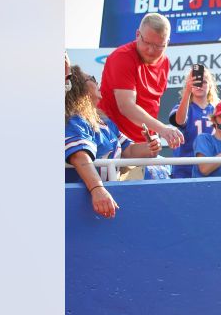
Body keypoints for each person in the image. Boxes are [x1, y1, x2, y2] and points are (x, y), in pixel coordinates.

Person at [65, 65, 155, 218]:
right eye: (92, 79)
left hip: (109, 195)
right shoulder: (74, 120)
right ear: (80, 86)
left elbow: (129, 151)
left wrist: (151, 147)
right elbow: (79, 156)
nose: (96, 82)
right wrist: (97, 189)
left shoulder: (104, 122)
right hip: (84, 202)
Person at [97, 13, 185, 155]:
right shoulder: (122, 57)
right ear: (138, 34)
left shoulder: (165, 62)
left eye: (158, 46)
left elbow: (151, 105)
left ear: (167, 43)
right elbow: (126, 106)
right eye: (147, 43)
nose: (151, 51)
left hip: (144, 146)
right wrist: (162, 129)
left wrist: (152, 139)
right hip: (115, 145)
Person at [166, 63, 220, 179]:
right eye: (195, 83)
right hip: (185, 169)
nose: (199, 86)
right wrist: (187, 92)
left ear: (210, 85)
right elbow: (180, 121)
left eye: (204, 82)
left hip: (212, 167)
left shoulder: (217, 110)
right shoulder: (184, 107)